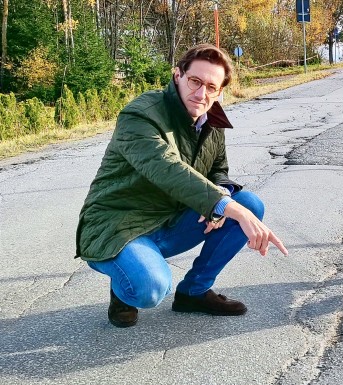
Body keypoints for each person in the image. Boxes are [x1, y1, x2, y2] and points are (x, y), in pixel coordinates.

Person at [76, 44, 287, 328]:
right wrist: (226, 206)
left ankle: (194, 292)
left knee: (250, 203)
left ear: (221, 91)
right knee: (150, 290)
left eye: (211, 87)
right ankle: (123, 285)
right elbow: (166, 169)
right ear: (178, 75)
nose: (201, 94)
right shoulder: (141, 115)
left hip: (170, 219)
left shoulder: (212, 120)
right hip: (118, 223)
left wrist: (222, 196)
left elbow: (218, 171)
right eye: (195, 81)